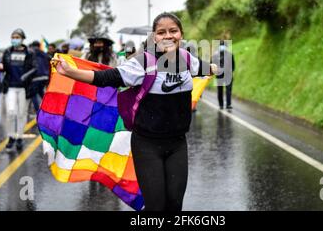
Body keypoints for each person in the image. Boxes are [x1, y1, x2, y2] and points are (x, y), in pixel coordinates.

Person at [52, 12, 217, 211]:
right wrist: (71, 72)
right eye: (161, 32)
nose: (168, 36)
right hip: (147, 145)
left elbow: (203, 67)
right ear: (154, 37)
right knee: (156, 207)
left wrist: (216, 67)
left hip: (177, 143)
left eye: (173, 31)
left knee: (174, 205)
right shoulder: (143, 63)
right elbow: (107, 77)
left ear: (181, 34)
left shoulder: (186, 59)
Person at [0, 29, 37, 151]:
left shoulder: (29, 53)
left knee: (21, 114)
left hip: (24, 88)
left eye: (17, 37)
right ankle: (11, 137)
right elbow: (2, 64)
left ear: (22, 38)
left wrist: (25, 77)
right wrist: (0, 66)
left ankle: (19, 137)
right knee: (11, 113)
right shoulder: (7, 52)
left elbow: (35, 68)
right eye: (13, 37)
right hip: (10, 87)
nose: (14, 39)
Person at [211, 40, 235, 110]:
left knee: (228, 90)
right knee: (220, 90)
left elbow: (233, 64)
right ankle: (221, 104)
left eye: (223, 45)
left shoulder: (230, 54)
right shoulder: (215, 55)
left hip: (228, 75)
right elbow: (212, 64)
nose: (222, 47)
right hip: (219, 75)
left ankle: (228, 104)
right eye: (221, 45)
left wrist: (231, 71)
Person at [29, 41, 50, 112]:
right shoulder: (44, 53)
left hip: (36, 77)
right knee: (41, 91)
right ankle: (49, 107)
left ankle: (38, 111)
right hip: (45, 76)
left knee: (33, 94)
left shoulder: (31, 53)